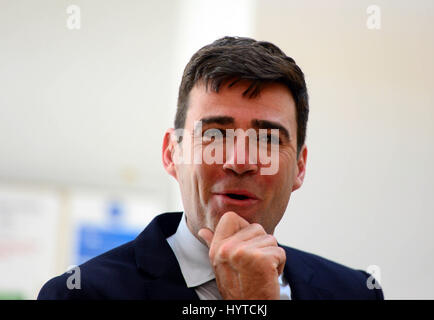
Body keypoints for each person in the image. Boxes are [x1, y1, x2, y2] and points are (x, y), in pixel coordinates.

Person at [38, 36, 383, 300]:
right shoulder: (80, 295)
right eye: (214, 135)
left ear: (300, 167)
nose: (241, 161)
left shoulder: (355, 292)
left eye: (268, 139)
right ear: (172, 154)